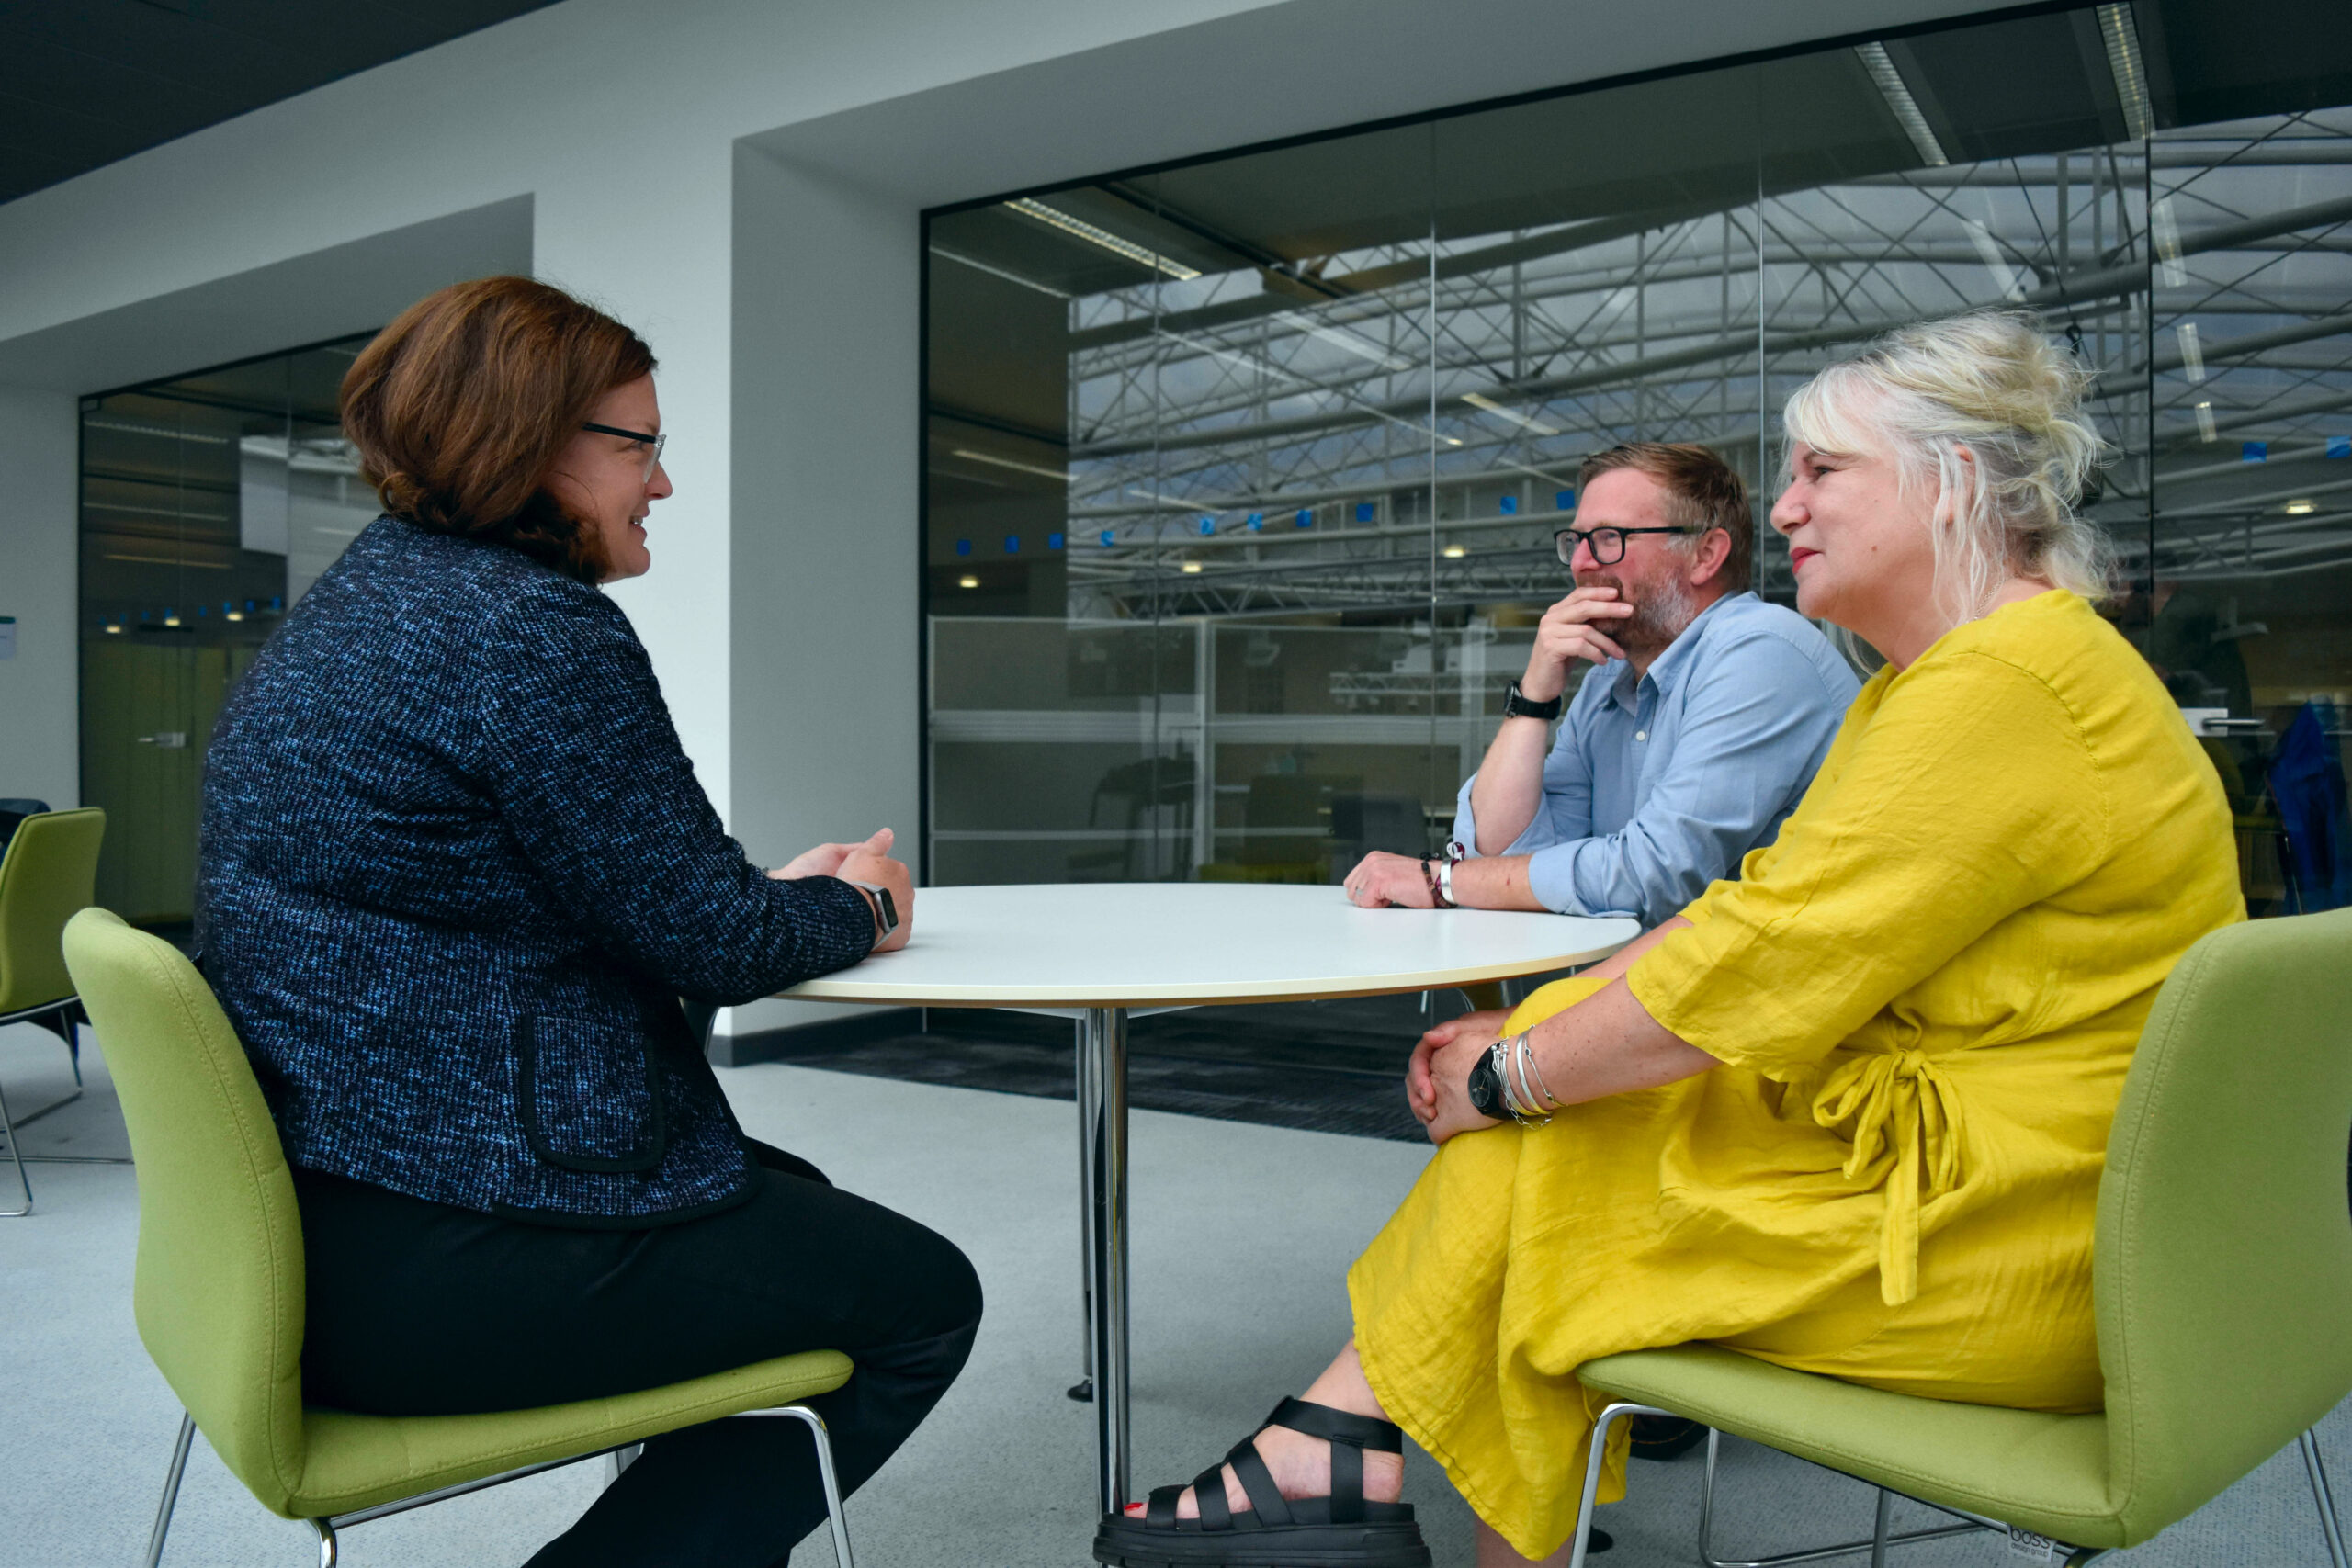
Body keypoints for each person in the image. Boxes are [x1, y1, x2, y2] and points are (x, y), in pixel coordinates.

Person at [1098, 310, 2244, 1568]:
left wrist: (1507, 1071)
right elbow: (1740, 907)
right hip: (2006, 1180)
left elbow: (1743, 958)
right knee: (1553, 1145)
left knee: (1545, 1171)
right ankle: (1333, 1459)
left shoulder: (1997, 687)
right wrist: (1532, 1037)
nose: (1787, 510)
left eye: (1822, 470)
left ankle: (1329, 1458)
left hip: (2018, 1241)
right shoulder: (1947, 677)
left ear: (1950, 481)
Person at [198, 276, 978, 1568]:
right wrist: (860, 902)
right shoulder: (532, 630)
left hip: (327, 1209)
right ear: (529, 441)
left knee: (803, 1208)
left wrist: (769, 902)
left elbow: (620, 902)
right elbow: (712, 943)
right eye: (642, 445)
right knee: (921, 1296)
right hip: (441, 1243)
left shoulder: (359, 606)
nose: (662, 482)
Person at [1342, 443, 1857, 925]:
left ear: (1706, 555)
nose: (1583, 562)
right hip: (1645, 994)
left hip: (1754, 1011)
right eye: (1577, 541)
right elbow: (1501, 856)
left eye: (1610, 538)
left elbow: (1656, 874)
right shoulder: (1605, 681)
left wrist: (1442, 882)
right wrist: (1535, 694)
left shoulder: (1760, 651)